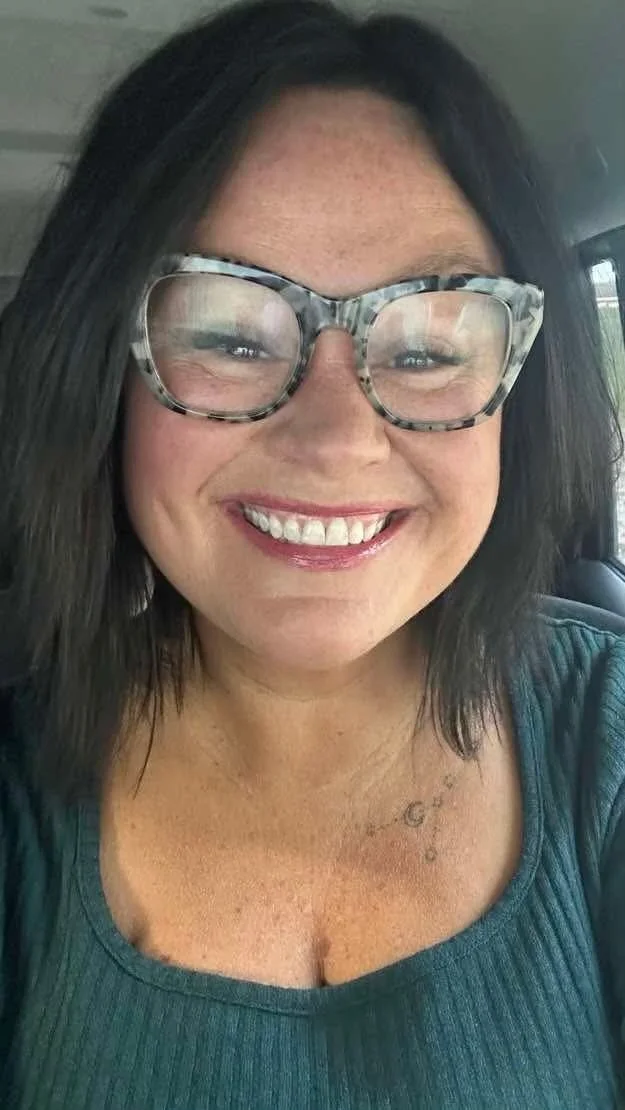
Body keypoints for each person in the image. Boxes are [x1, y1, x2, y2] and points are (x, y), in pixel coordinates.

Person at [0, 0, 623, 1105]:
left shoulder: (604, 744)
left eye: (431, 343)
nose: (335, 441)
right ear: (98, 368)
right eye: (230, 335)